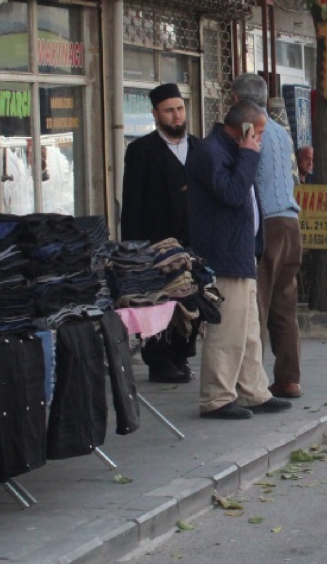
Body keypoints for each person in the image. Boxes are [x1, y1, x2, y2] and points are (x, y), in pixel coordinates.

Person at [188, 100, 292, 419]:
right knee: (227, 329)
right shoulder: (210, 152)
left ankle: (253, 390)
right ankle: (216, 397)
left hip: (243, 251)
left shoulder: (233, 151)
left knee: (248, 330)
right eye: (258, 132)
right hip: (223, 254)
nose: (260, 140)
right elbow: (232, 194)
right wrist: (248, 153)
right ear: (244, 128)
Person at [229, 74, 305, 400]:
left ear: (237, 101)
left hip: (267, 227)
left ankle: (254, 384)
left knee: (256, 305)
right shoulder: (281, 133)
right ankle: (289, 379)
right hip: (291, 223)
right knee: (284, 307)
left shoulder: (250, 133)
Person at [119, 82, 201, 383]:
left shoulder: (198, 147)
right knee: (159, 302)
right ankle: (159, 361)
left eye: (179, 109)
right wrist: (135, 249)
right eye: (169, 111)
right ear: (156, 114)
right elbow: (133, 202)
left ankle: (181, 355)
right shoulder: (141, 151)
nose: (176, 116)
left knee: (193, 301)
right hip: (156, 244)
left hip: (194, 244)